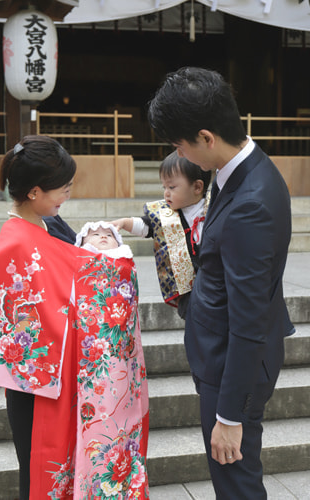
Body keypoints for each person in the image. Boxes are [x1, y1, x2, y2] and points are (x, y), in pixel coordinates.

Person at [0, 135, 149, 500]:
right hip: (37, 384)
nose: (67, 194)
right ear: (34, 192)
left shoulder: (47, 224)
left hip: (63, 374)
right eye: (62, 189)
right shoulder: (17, 242)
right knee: (39, 472)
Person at [147, 67, 294, 499]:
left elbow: (249, 319)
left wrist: (229, 416)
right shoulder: (242, 172)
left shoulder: (250, 201)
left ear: (207, 138)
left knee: (237, 484)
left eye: (180, 144)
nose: (179, 152)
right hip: (226, 358)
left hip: (233, 368)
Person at [112, 150, 211, 318]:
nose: (166, 193)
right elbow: (146, 226)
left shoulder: (214, 208)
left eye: (172, 187)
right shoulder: (165, 215)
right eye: (164, 187)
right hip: (189, 293)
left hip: (214, 284)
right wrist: (124, 222)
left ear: (197, 187)